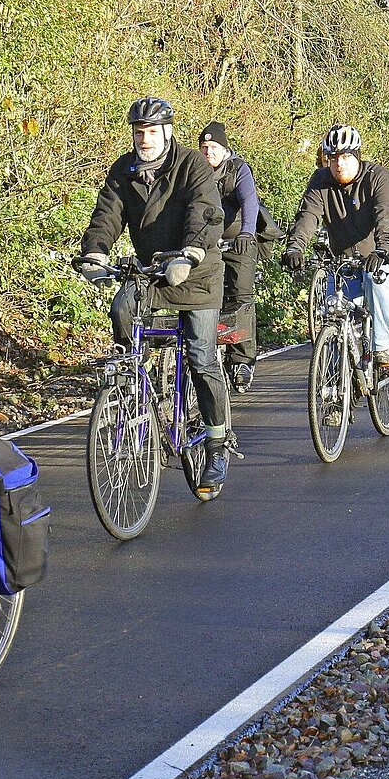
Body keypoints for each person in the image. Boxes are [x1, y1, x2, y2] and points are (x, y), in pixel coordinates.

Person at [76, 97, 230, 494]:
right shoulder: (123, 170)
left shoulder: (192, 165)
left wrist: (191, 253)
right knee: (122, 309)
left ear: (168, 132)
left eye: (152, 131)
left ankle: (216, 442)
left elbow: (206, 212)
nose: (144, 138)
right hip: (151, 269)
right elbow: (107, 215)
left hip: (197, 272)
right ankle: (134, 385)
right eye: (138, 131)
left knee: (200, 356)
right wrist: (95, 251)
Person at [282, 125, 389, 370]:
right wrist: (295, 248)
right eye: (333, 158)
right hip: (343, 263)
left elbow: (385, 216)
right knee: (334, 318)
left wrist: (383, 248)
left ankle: (383, 346)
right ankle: (336, 392)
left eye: (345, 156)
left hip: (379, 257)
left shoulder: (378, 177)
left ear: (356, 155)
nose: (339, 164)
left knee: (375, 281)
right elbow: (307, 217)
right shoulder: (320, 181)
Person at [198, 121, 262, 393]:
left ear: (224, 148)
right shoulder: (196, 172)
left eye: (213, 147)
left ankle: (243, 360)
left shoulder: (239, 169)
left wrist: (247, 233)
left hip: (238, 241)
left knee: (241, 297)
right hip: (205, 244)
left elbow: (250, 203)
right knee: (202, 296)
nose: (207, 152)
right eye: (203, 147)